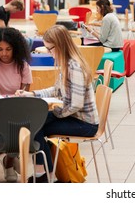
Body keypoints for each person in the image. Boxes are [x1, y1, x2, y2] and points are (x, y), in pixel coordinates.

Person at [15, 25, 99, 183]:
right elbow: (56, 90)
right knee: (35, 122)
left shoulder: (74, 67)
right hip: (75, 117)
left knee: (36, 123)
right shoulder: (67, 64)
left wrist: (55, 114)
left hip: (85, 123)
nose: (49, 52)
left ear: (60, 46)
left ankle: (45, 174)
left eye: (50, 49)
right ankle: (46, 173)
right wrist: (33, 93)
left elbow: (76, 105)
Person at [0, 27, 32, 182]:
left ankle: (9, 162)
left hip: (15, 109)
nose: (4, 53)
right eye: (0, 49)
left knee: (18, 129)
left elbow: (25, 92)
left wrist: (21, 93)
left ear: (15, 48)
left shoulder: (23, 66)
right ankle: (8, 158)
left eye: (8, 49)